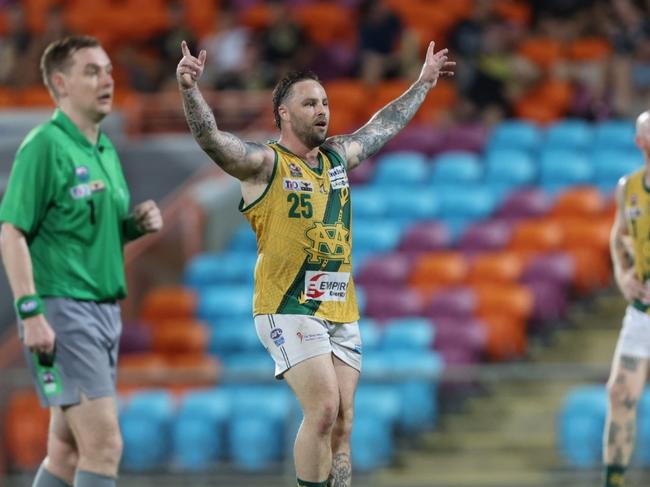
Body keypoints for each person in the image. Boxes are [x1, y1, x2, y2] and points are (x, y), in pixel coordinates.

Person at [177, 37, 454, 487]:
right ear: (283, 113)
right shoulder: (264, 164)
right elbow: (211, 139)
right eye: (309, 104)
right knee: (323, 409)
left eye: (324, 102)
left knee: (343, 424)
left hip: (339, 305)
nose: (322, 110)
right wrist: (190, 90)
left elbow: (382, 126)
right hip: (286, 305)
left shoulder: (337, 157)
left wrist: (422, 84)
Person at [0, 36, 163, 487]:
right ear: (60, 83)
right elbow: (11, 231)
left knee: (66, 451)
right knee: (104, 446)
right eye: (91, 71)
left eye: (108, 70)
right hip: (64, 311)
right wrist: (30, 313)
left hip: (103, 311)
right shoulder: (44, 146)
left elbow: (89, 228)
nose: (106, 79)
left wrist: (132, 226)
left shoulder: (104, 148)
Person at [604, 109, 650, 487]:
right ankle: (613, 482)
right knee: (619, 393)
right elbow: (619, 235)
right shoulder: (628, 188)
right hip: (643, 310)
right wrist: (622, 275)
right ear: (641, 143)